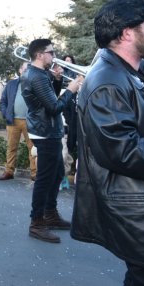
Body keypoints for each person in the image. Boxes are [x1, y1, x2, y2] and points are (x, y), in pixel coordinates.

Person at [71, 0, 144, 285]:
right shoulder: (107, 80)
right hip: (137, 208)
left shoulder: (133, 70)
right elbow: (123, 151)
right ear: (127, 33)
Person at [21, 38, 82, 243]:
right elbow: (55, 107)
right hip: (45, 132)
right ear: (40, 55)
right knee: (45, 179)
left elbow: (50, 100)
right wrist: (71, 90)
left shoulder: (41, 74)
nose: (53, 56)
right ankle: (36, 223)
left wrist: (56, 81)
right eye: (51, 52)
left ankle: (50, 213)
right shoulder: (36, 76)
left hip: (49, 129)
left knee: (56, 174)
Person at [0, 62, 37, 181]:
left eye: (29, 70)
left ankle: (35, 174)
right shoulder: (11, 84)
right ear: (20, 70)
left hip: (30, 121)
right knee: (11, 147)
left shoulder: (34, 84)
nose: (27, 72)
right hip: (13, 121)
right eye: (25, 69)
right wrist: (5, 113)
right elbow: (3, 100)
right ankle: (9, 171)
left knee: (33, 148)